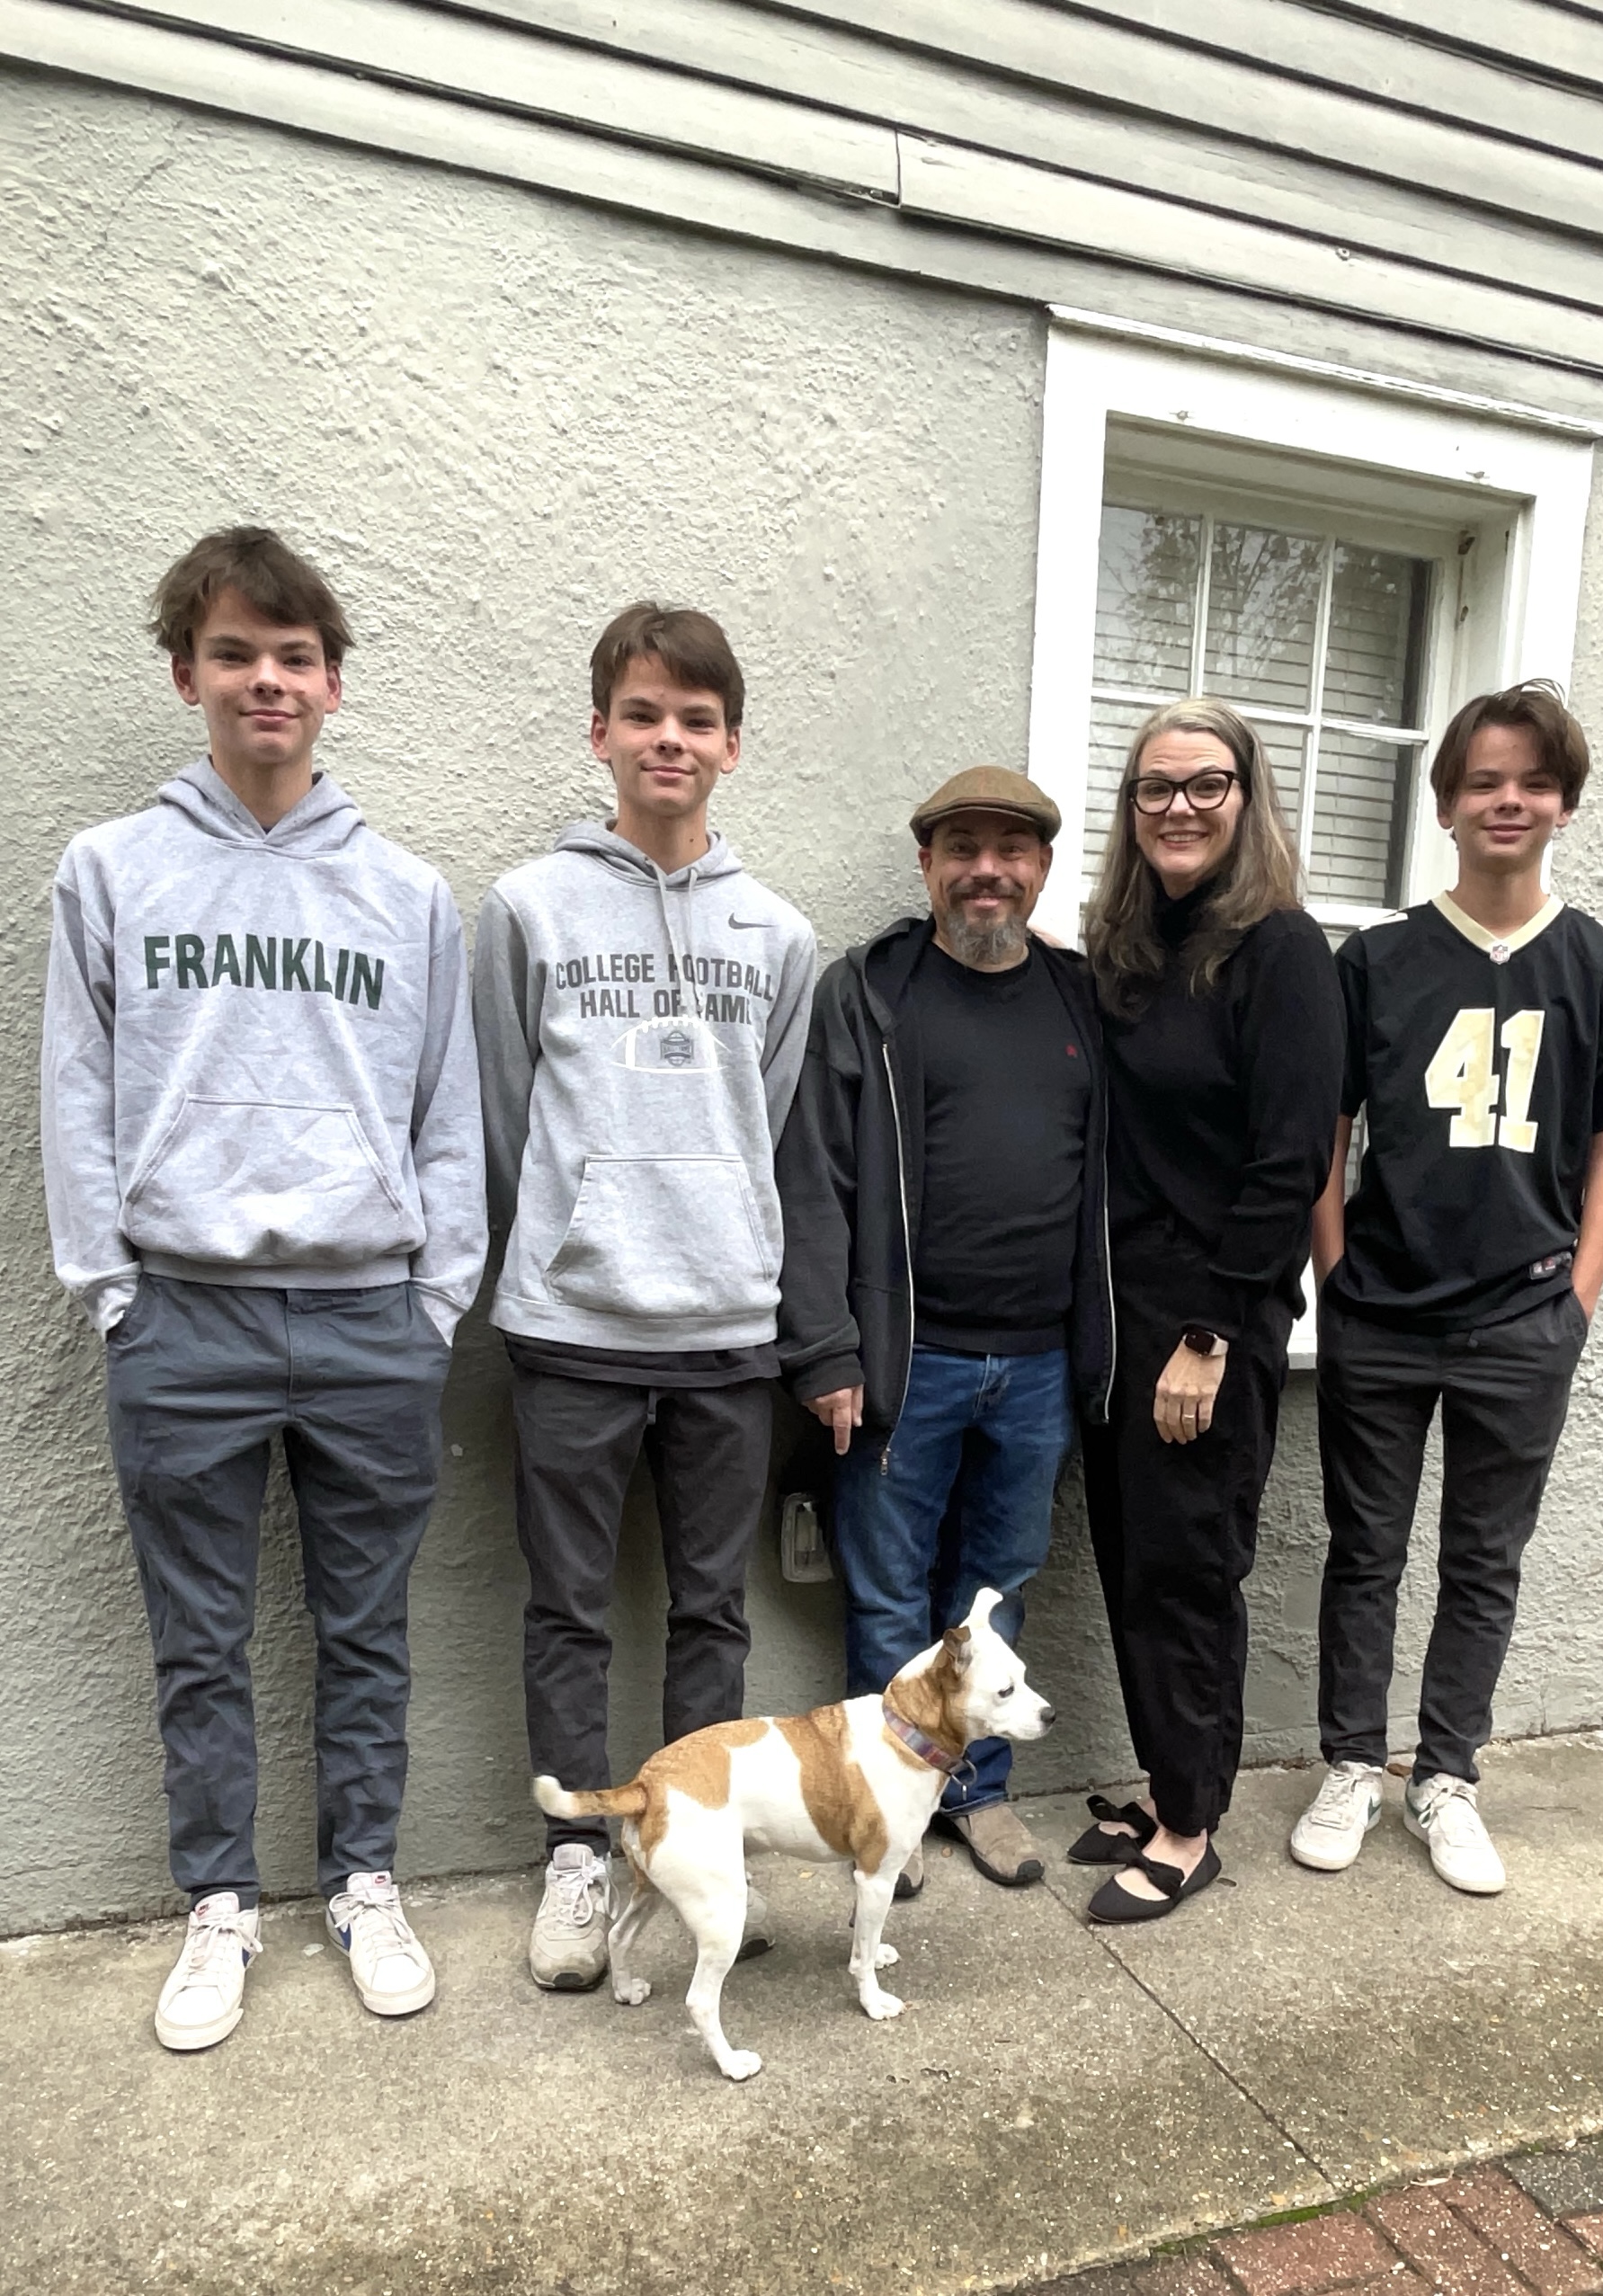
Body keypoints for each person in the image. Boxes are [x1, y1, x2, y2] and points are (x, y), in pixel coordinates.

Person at [41, 526, 487, 2051]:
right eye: (234, 652)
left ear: (333, 683)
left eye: (295, 655)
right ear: (188, 675)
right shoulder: (112, 870)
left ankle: (363, 1878)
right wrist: (115, 1292)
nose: (266, 680)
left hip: (371, 1321)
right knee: (200, 1639)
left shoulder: (406, 893)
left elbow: (449, 1112)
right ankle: (220, 1902)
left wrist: (434, 1301)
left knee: (366, 1631)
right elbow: (76, 1091)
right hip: (184, 1315)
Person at [474, 601, 817, 1992]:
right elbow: (507, 1117)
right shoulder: (528, 908)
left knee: (712, 1611)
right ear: (601, 732)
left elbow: (764, 1120)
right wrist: (579, 1230)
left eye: (696, 718)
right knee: (567, 1606)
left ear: (731, 745)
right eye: (643, 713)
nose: (668, 738)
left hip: (727, 1329)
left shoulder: (777, 933)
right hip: (571, 1329)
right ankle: (573, 1854)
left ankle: (687, 1847)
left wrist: (712, 1226)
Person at [1289, 681, 1603, 1894]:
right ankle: (1352, 1760)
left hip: (1522, 1317)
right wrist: (1335, 1272)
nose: (1507, 800)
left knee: (1483, 1558)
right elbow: (1324, 1132)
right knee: (1364, 1550)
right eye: (1483, 781)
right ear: (1445, 803)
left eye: (1532, 781)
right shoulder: (1376, 960)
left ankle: (1446, 1775)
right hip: (1381, 1310)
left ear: (1563, 803)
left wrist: (1576, 1301)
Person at [776, 767, 1112, 1895]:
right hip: (901, 1361)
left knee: (996, 1587)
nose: (985, 870)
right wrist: (824, 1347)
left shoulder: (1079, 999)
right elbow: (813, 1179)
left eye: (1009, 851)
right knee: (887, 1591)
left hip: (1040, 1361)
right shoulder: (871, 993)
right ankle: (888, 1805)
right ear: (926, 866)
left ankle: (976, 1793)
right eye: (961, 848)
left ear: (1040, 869)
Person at [1068, 699, 1343, 1925]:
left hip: (1205, 1319)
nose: (1177, 806)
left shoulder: (1281, 952)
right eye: (1154, 787)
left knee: (1187, 1569)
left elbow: (1290, 1163)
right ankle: (1166, 1783)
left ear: (1246, 797)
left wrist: (1210, 1336)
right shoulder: (1133, 951)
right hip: (1119, 1313)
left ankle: (1190, 1828)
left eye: (1204, 784)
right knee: (1135, 1560)